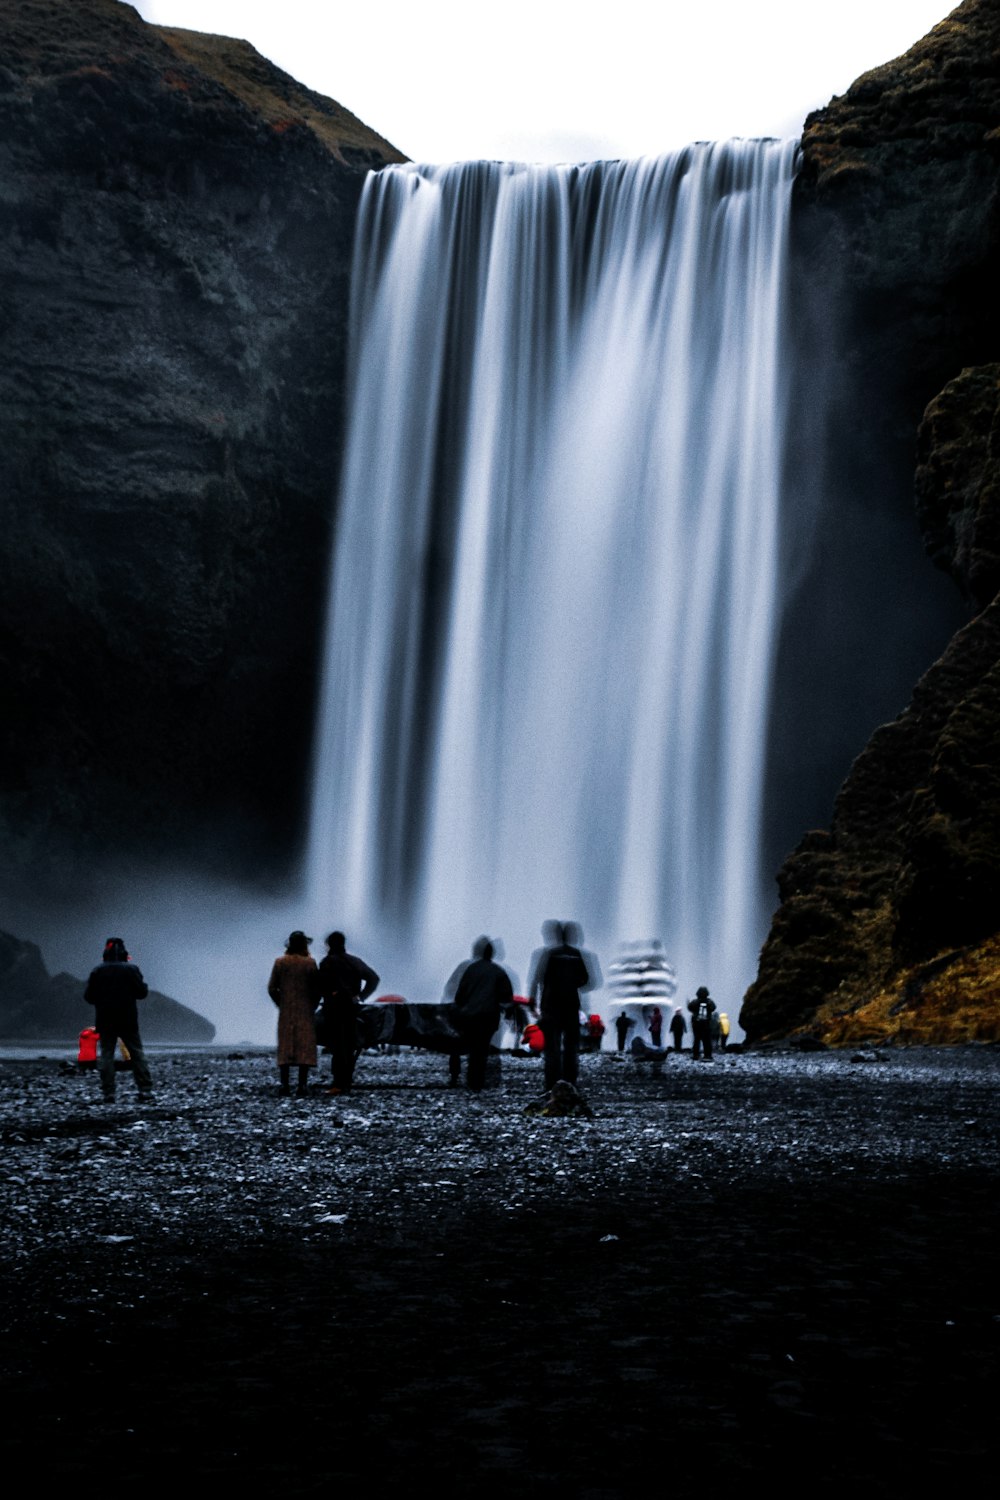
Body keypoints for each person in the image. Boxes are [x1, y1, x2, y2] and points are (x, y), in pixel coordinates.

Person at [84, 937, 153, 1103]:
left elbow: (89, 997)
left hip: (105, 1018)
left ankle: (109, 1093)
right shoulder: (131, 969)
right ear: (123, 952)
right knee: (137, 1053)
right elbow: (142, 993)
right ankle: (145, 1091)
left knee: (106, 1054)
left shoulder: (97, 971)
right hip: (128, 1017)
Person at [528, 920, 591, 1090]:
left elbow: (537, 978)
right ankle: (570, 1082)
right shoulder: (576, 954)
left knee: (552, 1047)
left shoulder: (549, 954)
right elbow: (587, 980)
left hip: (550, 1005)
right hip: (570, 1005)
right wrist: (571, 983)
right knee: (571, 1047)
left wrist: (532, 1001)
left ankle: (551, 1083)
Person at [316, 931, 379, 1096]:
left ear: (329, 944)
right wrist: (361, 996)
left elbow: (320, 985)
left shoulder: (327, 962)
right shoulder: (354, 962)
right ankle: (347, 1080)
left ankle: (338, 1082)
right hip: (352, 1007)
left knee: (337, 1045)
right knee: (349, 1044)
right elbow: (373, 978)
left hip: (334, 1008)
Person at [451, 938, 512, 1091]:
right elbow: (506, 997)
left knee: (473, 1049)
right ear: (492, 954)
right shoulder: (498, 972)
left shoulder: (471, 970)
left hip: (470, 1016)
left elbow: (460, 995)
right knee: (482, 1049)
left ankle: (472, 1081)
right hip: (489, 1017)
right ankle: (477, 1081)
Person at [267, 930, 319, 1097]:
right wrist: (313, 1005)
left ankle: (285, 1085)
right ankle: (302, 1085)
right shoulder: (310, 963)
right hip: (305, 1009)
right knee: (305, 1046)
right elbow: (317, 989)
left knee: (286, 1045)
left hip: (287, 1009)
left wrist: (280, 1003)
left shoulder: (280, 963)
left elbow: (272, 988)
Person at [688, 986, 717, 1061]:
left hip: (696, 1024)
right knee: (707, 1040)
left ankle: (696, 1055)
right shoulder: (709, 1001)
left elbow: (690, 1007)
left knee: (696, 1040)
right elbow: (714, 1008)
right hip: (706, 1024)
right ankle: (707, 1055)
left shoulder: (695, 1001)